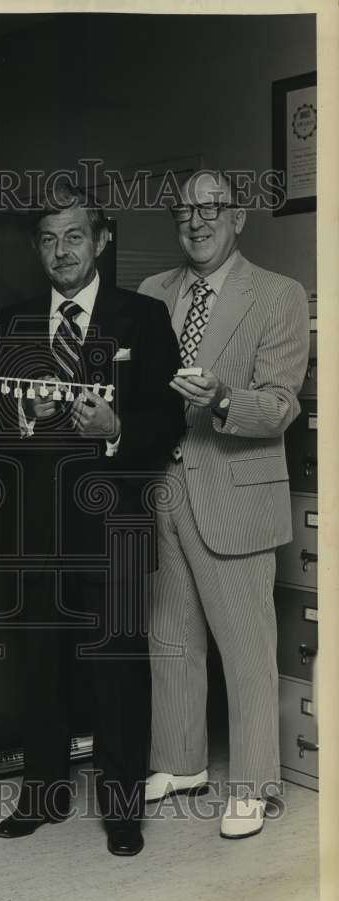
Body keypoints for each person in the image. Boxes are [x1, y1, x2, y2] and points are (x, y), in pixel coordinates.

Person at [0, 183, 185, 856]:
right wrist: (24, 416)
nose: (61, 251)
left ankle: (123, 810)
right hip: (37, 530)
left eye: (74, 236)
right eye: (48, 238)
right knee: (39, 666)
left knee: (120, 671)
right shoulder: (15, 323)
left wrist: (116, 428)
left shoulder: (144, 317)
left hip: (118, 527)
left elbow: (168, 420)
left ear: (101, 240)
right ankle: (40, 794)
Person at [139, 169, 309, 839]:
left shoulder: (279, 294)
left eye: (213, 208)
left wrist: (220, 399)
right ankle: (179, 762)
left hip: (234, 485)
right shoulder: (153, 291)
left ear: (240, 217)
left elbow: (281, 404)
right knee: (170, 637)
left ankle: (254, 784)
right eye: (185, 209)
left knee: (244, 646)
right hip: (164, 484)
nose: (197, 220)